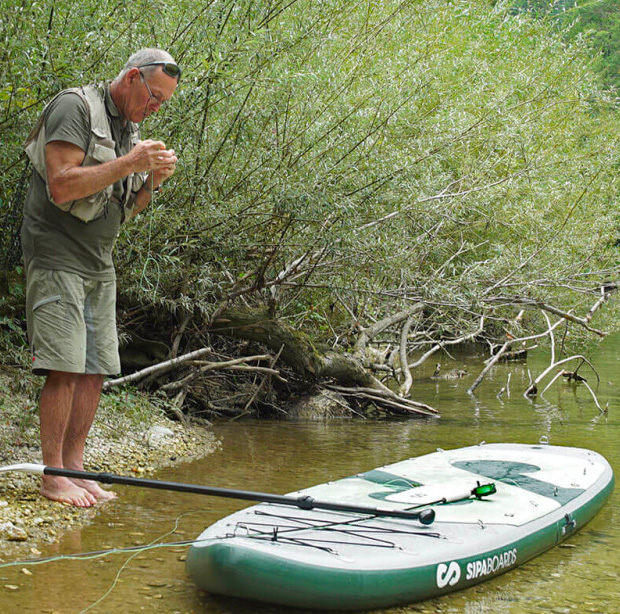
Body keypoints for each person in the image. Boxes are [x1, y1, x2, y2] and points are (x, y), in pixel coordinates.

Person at [21, 48, 180, 507]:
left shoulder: (127, 127)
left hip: (99, 260)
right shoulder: (75, 106)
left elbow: (125, 208)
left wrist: (152, 180)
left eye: (162, 103)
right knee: (66, 365)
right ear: (132, 77)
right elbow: (62, 184)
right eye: (153, 96)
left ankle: (76, 468)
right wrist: (131, 163)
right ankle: (53, 476)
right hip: (56, 254)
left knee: (95, 370)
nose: (155, 108)